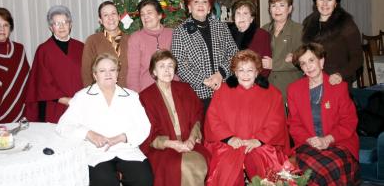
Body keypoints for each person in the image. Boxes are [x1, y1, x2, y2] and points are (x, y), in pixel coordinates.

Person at [56, 53, 153, 186]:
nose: (108, 74)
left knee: (144, 178)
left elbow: (144, 126)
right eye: (102, 71)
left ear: (117, 73)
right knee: (105, 181)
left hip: (126, 149)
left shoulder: (131, 96)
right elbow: (63, 126)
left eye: (112, 70)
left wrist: (123, 137)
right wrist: (88, 134)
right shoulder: (82, 97)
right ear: (95, 75)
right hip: (96, 152)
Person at [204, 50, 289, 185]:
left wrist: (258, 140)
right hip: (229, 145)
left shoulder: (273, 94)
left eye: (250, 70)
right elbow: (213, 120)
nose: (245, 74)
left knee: (269, 174)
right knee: (226, 172)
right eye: (241, 70)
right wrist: (229, 138)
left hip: (260, 145)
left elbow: (276, 123)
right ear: (235, 72)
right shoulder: (222, 91)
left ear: (257, 72)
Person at [287, 43, 360, 185]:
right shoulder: (294, 90)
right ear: (300, 68)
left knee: (331, 166)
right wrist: (310, 140)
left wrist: (327, 140)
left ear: (321, 61)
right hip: (309, 143)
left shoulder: (338, 86)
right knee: (316, 167)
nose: (308, 66)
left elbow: (349, 121)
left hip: (338, 142)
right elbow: (294, 124)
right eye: (303, 63)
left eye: (311, 60)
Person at [139, 50, 210, 186]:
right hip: (162, 148)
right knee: (177, 167)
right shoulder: (145, 97)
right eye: (162, 66)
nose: (167, 70)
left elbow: (197, 116)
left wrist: (191, 139)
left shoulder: (185, 89)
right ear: (154, 72)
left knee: (198, 162)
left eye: (170, 65)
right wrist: (172, 144)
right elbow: (147, 132)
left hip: (189, 142)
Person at [171, 0, 238, 110]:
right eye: (196, 1)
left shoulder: (221, 27)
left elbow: (234, 53)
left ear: (209, 8)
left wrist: (221, 74)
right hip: (197, 94)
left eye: (205, 1)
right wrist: (205, 80)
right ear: (189, 8)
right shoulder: (180, 31)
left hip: (224, 90)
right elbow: (178, 64)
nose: (200, 5)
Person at [25, 5, 84, 123]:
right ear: (51, 27)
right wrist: (67, 101)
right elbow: (42, 83)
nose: (61, 26)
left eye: (65, 22)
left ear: (70, 24)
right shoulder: (43, 50)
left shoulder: (81, 47)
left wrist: (79, 101)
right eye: (57, 23)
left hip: (79, 106)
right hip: (54, 107)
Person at [302, 0, 362, 85]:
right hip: (312, 81)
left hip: (336, 81)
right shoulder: (308, 22)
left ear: (336, 3)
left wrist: (340, 74)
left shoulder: (346, 24)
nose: (325, 3)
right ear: (315, 2)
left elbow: (357, 58)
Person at [262, 0, 303, 103]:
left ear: (289, 9)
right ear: (269, 9)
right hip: (267, 87)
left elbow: (300, 60)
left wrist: (273, 64)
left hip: (289, 87)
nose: (277, 9)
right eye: (273, 5)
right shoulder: (263, 29)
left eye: (282, 5)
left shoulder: (299, 30)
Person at [127, 0, 173, 92]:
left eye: (149, 13)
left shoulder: (173, 34)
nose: (145, 17)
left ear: (160, 15)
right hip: (147, 92)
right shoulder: (136, 38)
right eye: (142, 14)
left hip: (173, 90)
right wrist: (136, 97)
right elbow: (133, 72)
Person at [82, 1, 129, 87]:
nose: (110, 18)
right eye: (105, 15)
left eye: (113, 13)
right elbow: (86, 73)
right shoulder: (92, 41)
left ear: (119, 17)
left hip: (129, 93)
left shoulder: (130, 40)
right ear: (100, 20)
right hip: (103, 94)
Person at [228, 0, 271, 77]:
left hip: (254, 81)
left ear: (251, 18)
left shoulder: (262, 35)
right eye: (238, 13)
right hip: (230, 80)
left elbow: (266, 67)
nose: (241, 17)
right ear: (234, 17)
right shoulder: (226, 34)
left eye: (245, 13)